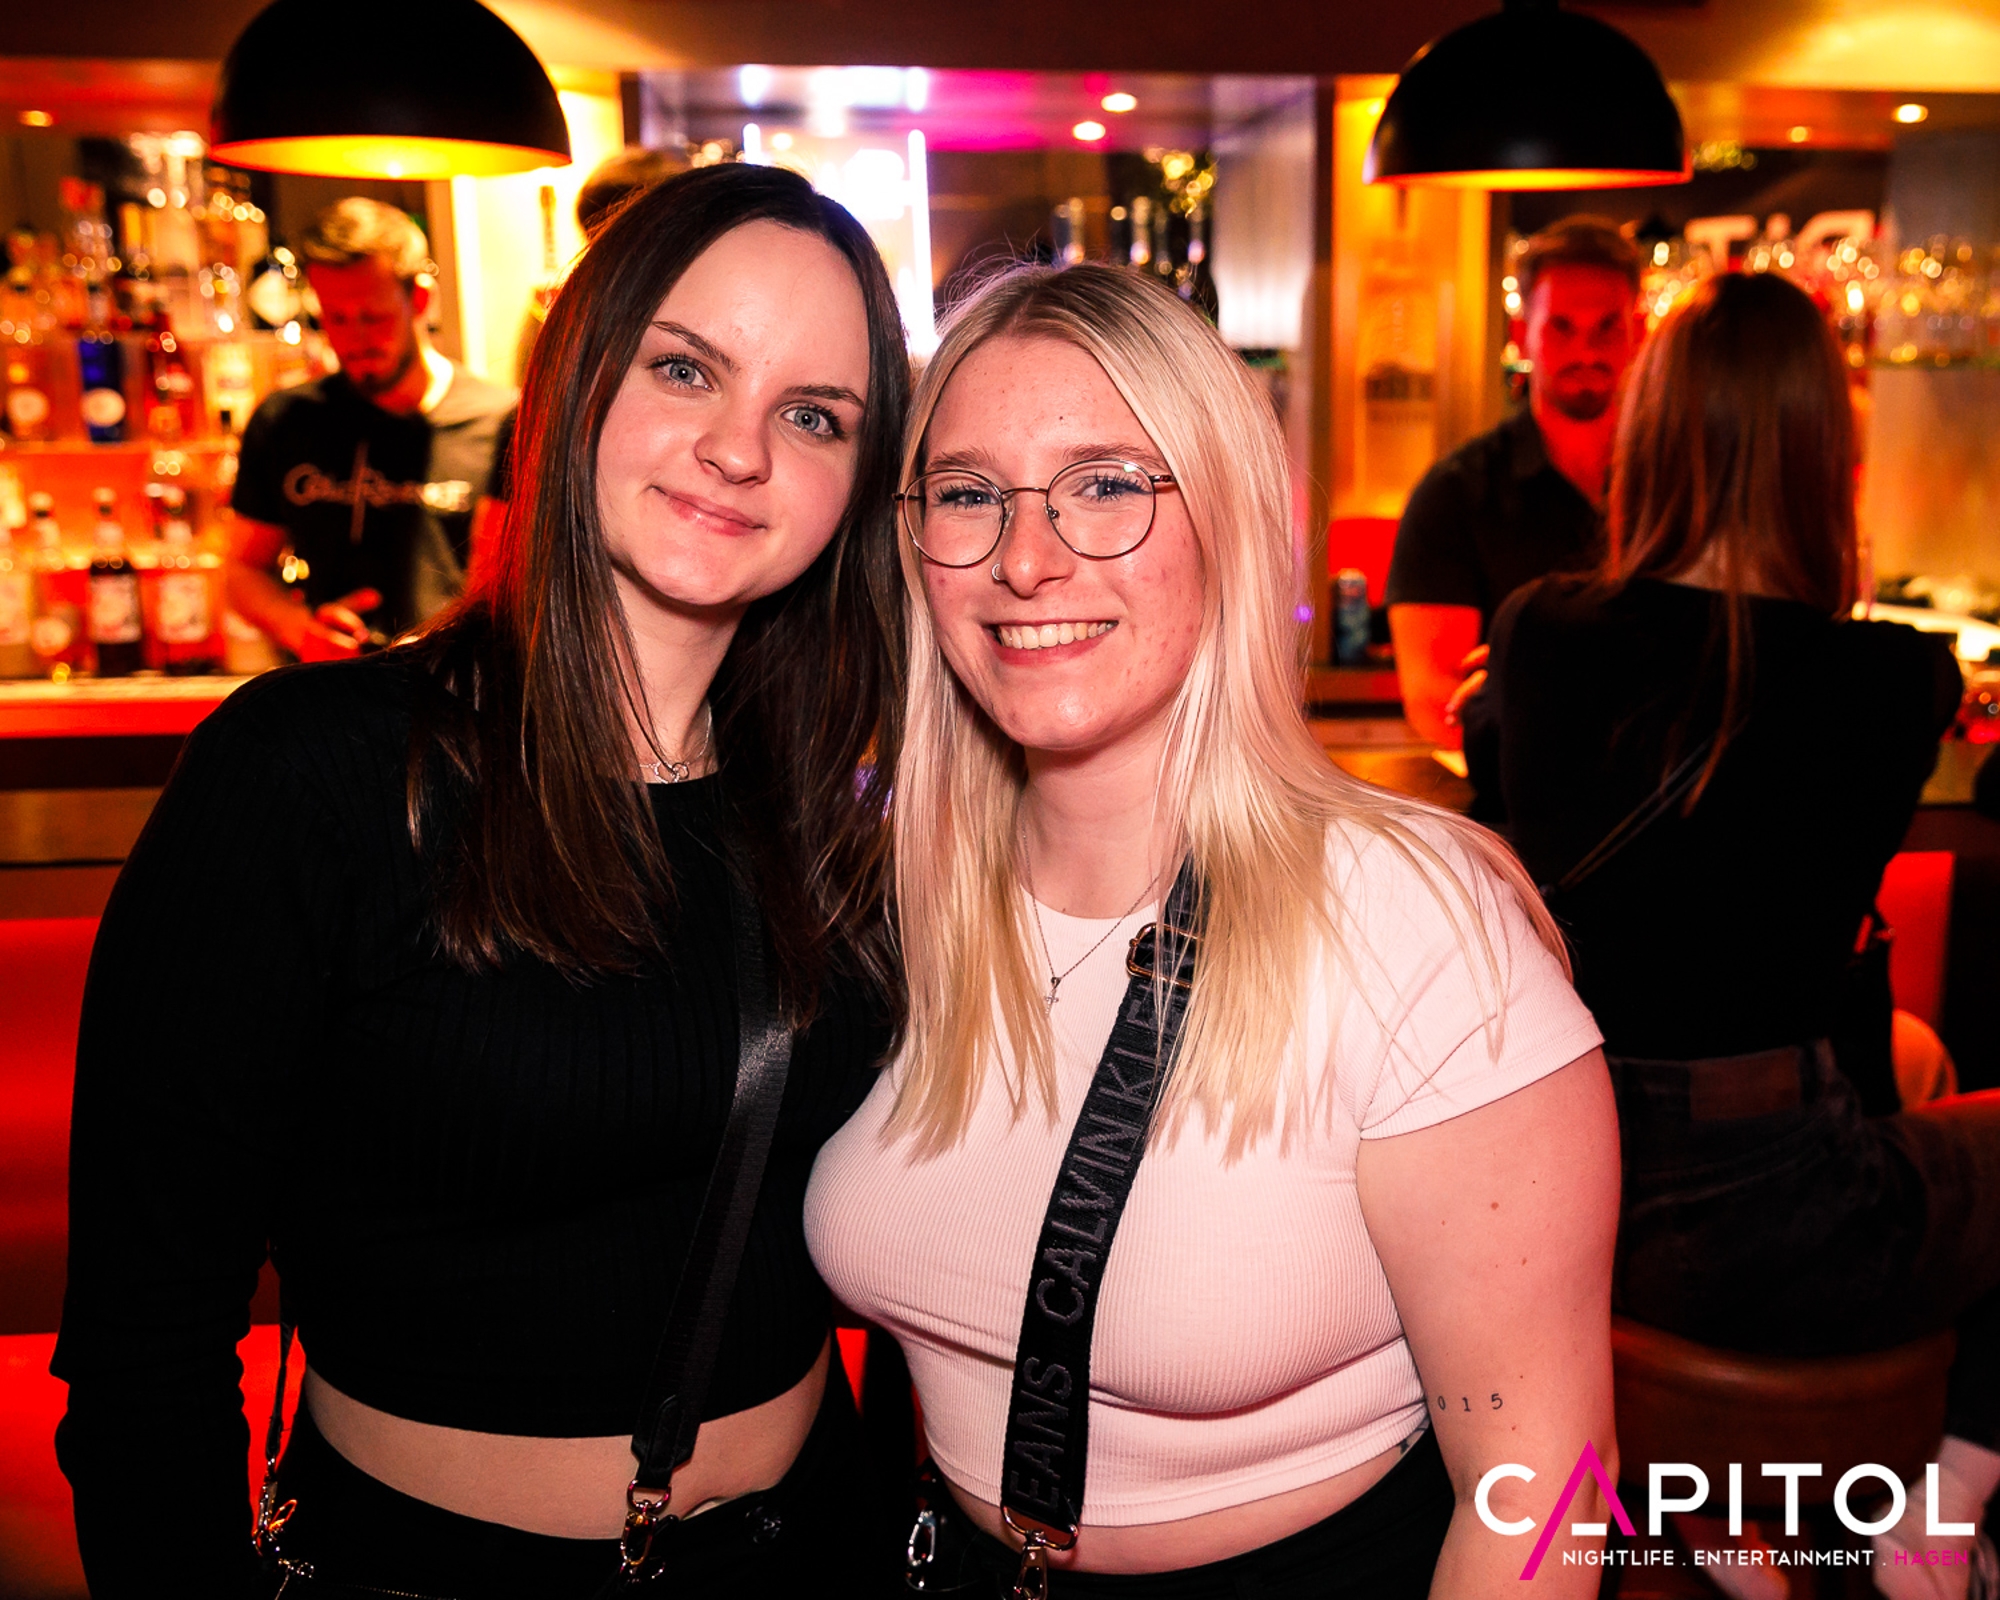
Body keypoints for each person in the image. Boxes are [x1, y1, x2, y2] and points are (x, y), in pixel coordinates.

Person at [56, 162, 911, 1598]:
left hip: (818, 1550)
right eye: (686, 368)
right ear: (575, 379)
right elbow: (147, 1333)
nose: (738, 449)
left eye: (814, 414)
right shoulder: (311, 776)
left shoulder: (840, 808)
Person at [805, 262, 1621, 1598]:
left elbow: (1546, 1486)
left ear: (1230, 520)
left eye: (1104, 485)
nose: (1024, 558)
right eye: (966, 493)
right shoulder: (890, 892)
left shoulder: (1414, 925)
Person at [1483, 271, 2000, 1600]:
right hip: (1781, 1212)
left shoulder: (1537, 632)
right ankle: (1944, 1493)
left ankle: (1699, 1502)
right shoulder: (1893, 680)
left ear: (1651, 431)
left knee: (1909, 1059)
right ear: (1826, 454)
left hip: (1565, 1199)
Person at [1387, 216, 1644, 749]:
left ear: (1637, 332)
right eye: (1562, 327)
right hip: (1508, 798)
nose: (1586, 353)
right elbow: (1434, 698)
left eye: (1607, 327)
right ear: (1522, 333)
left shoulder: (1679, 484)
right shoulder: (1454, 495)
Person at [226, 198, 517, 661]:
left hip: (456, 689)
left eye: (373, 317)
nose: (354, 339)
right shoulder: (286, 419)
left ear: (419, 299)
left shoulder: (502, 420)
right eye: (336, 318)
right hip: (334, 689)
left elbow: (515, 591)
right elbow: (242, 570)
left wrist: (445, 645)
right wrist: (301, 631)